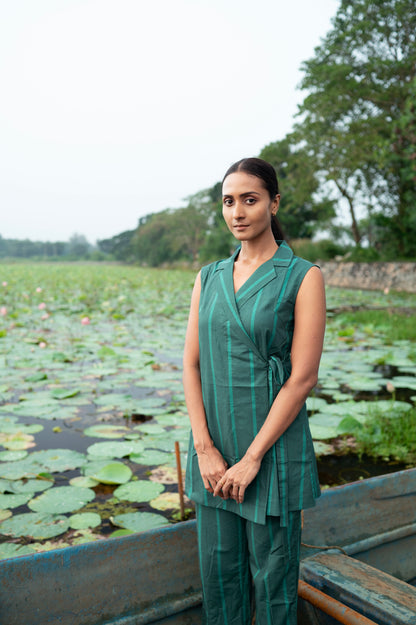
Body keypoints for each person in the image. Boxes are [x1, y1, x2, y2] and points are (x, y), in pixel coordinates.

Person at [183, 157, 326, 625]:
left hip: (271, 450)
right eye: (229, 201)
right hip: (214, 450)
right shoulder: (207, 277)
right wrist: (204, 447)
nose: (238, 212)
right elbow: (192, 362)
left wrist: (252, 458)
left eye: (250, 199)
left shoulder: (302, 276)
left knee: (274, 585)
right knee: (219, 579)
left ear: (273, 202)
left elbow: (302, 377)